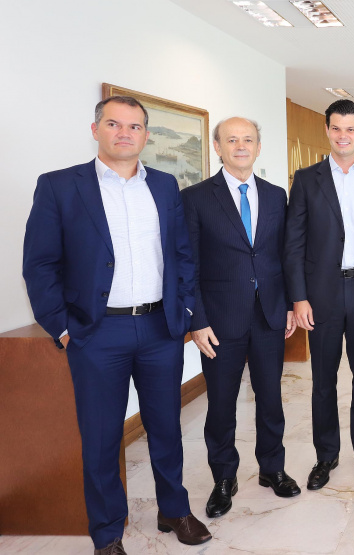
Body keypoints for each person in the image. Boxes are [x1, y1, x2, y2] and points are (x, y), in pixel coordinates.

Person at [22, 96, 211, 554]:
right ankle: (106, 532)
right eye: (114, 124)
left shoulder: (166, 186)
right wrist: (63, 327)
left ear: (146, 135)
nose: (124, 133)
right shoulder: (60, 187)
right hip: (95, 333)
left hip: (158, 330)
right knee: (103, 436)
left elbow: (182, 256)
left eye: (134, 126)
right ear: (95, 129)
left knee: (167, 427)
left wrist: (185, 312)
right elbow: (40, 265)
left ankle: (174, 509)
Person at [182, 117, 300, 519]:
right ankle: (223, 478)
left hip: (268, 314)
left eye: (247, 139)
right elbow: (189, 265)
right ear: (218, 147)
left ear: (258, 146)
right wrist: (196, 320)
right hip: (218, 320)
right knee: (220, 405)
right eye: (231, 140)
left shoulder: (275, 195)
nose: (240, 145)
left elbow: (282, 257)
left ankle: (272, 468)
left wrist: (285, 304)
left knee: (271, 398)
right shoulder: (196, 197)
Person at [284, 99, 354, 490]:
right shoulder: (306, 179)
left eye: (351, 129)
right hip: (321, 295)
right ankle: (326, 455)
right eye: (336, 128)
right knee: (323, 379)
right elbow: (293, 244)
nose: (343, 136)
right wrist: (298, 298)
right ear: (327, 131)